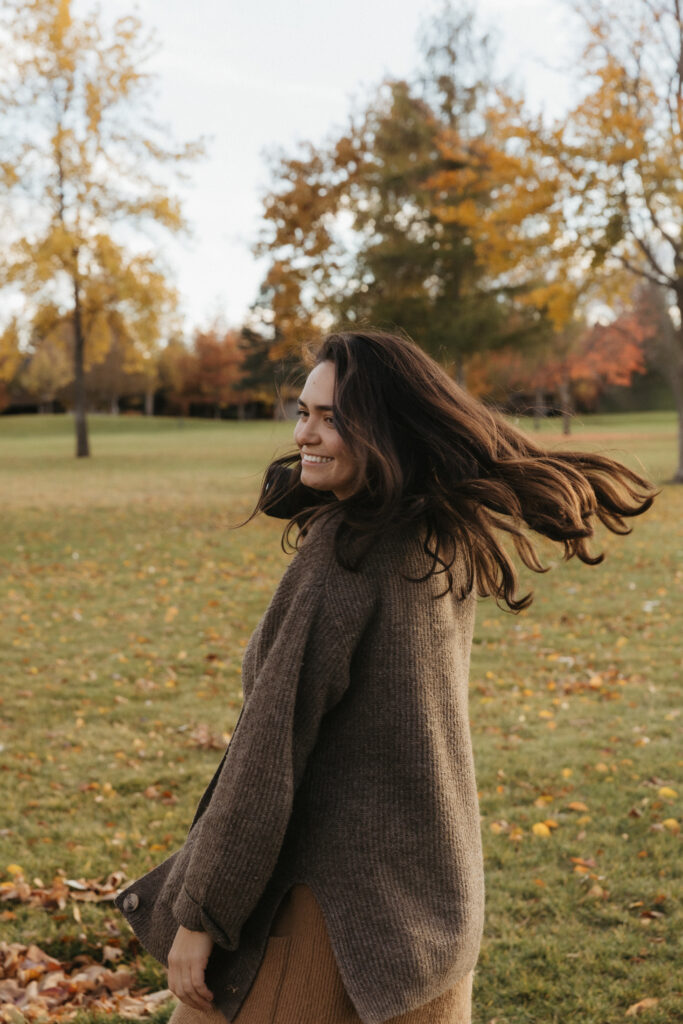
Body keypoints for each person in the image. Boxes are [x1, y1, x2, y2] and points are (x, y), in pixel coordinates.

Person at [115, 330, 658, 1024]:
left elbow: (265, 757)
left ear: (381, 428)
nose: (303, 433)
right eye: (302, 411)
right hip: (424, 906)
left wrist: (201, 916)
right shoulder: (437, 534)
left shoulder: (343, 561)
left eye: (329, 417)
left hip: (326, 916)